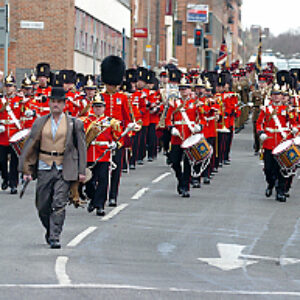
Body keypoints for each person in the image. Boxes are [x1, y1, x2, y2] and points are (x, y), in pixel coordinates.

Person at [19, 86, 86, 248]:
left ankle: (55, 236)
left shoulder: (73, 123)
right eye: (53, 101)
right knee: (42, 205)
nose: (56, 105)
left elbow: (81, 147)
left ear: (64, 104)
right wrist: (26, 170)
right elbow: (30, 146)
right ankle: (50, 229)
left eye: (59, 102)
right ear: (49, 103)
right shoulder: (40, 122)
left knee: (59, 202)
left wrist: (81, 171)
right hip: (44, 165)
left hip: (64, 167)